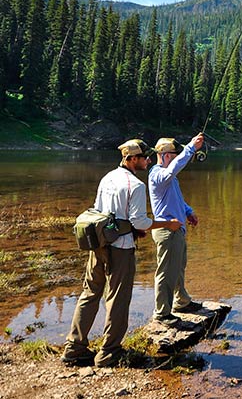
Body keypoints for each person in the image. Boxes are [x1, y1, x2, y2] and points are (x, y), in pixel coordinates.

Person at [62, 139, 183, 367]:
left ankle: (74, 348)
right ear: (131, 159)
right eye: (144, 157)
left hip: (97, 245)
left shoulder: (107, 177)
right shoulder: (136, 186)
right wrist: (166, 225)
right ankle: (109, 352)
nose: (148, 160)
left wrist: (134, 227)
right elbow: (140, 221)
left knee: (90, 293)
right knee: (118, 298)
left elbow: (101, 210)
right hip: (121, 248)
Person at [149, 134, 204, 327]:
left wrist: (188, 212)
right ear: (164, 155)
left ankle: (182, 301)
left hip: (177, 230)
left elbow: (176, 198)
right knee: (166, 272)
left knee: (178, 267)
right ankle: (162, 314)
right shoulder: (157, 174)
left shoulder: (170, 178)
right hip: (167, 231)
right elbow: (172, 170)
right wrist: (191, 148)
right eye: (174, 154)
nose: (176, 158)